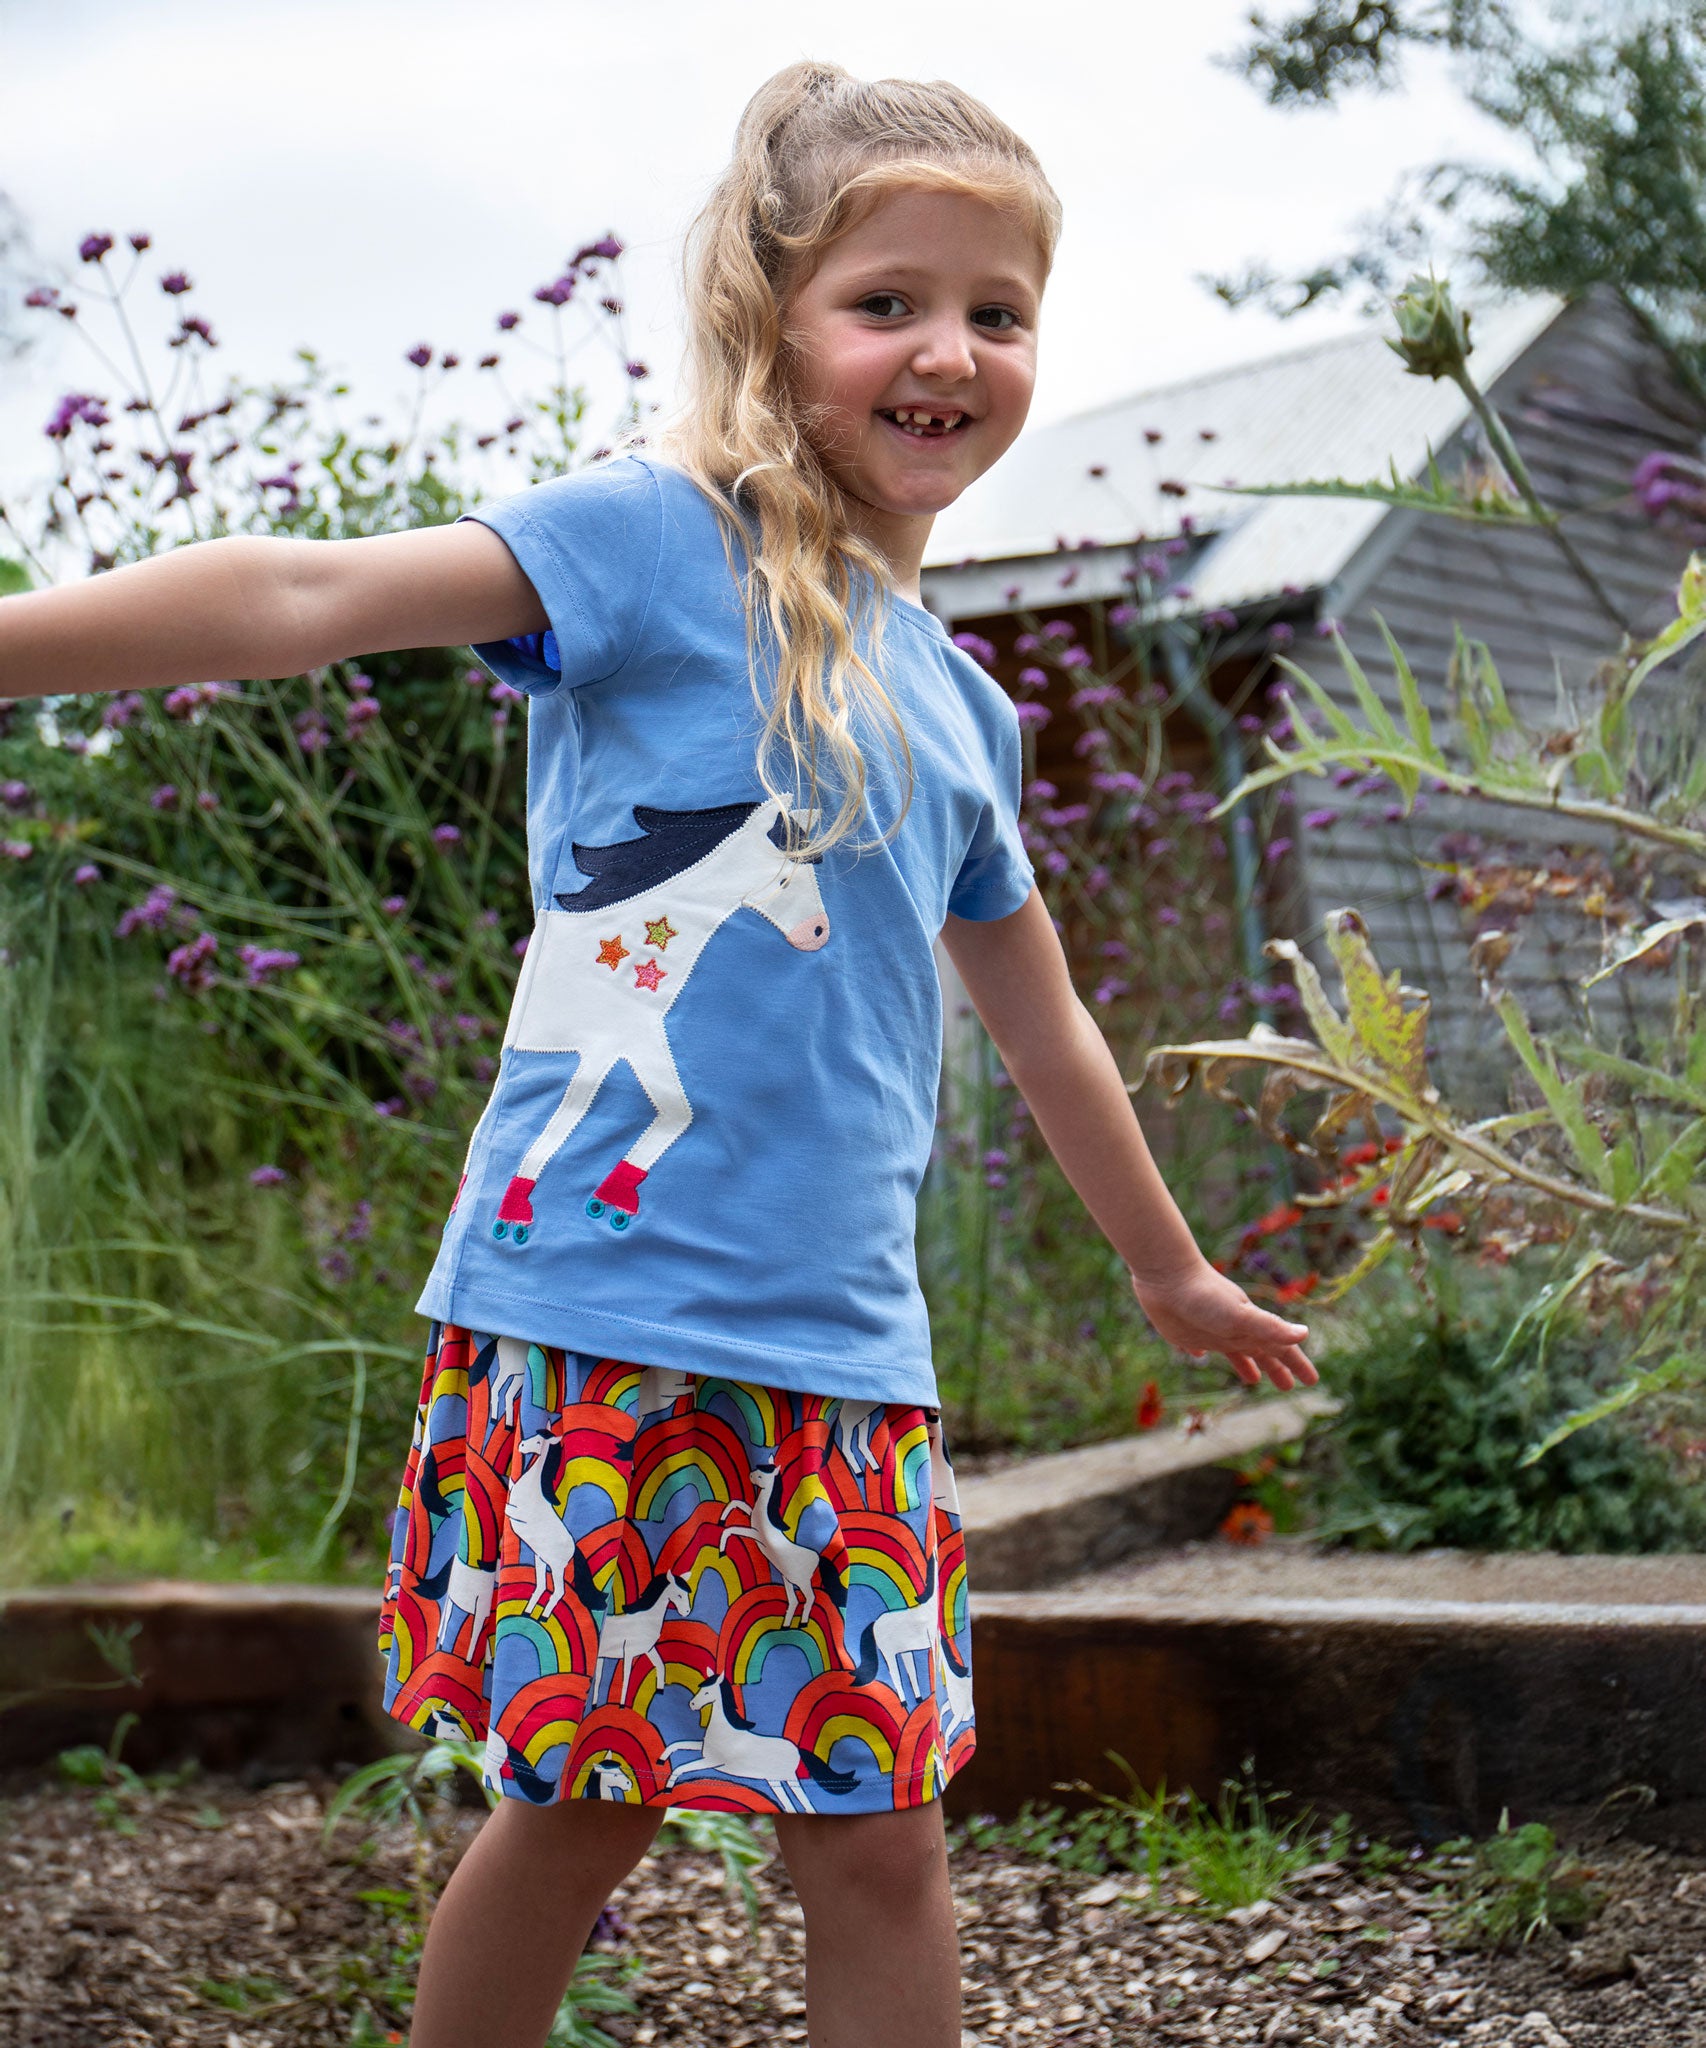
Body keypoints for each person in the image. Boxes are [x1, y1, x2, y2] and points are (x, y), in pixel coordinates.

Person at [1, 59, 1318, 2048]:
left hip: (845, 1355)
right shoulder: (646, 541)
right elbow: (302, 593)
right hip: (601, 1322)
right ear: (769, 318)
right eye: (887, 300)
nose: (946, 347)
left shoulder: (963, 711)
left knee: (879, 1835)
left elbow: (1041, 1020)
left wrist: (1167, 1267)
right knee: (581, 1811)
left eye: (998, 309)